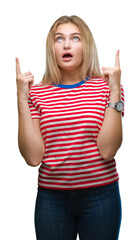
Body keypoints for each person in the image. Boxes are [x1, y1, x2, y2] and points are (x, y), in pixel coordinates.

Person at [16, 15, 124, 240]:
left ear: (86, 46)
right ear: (52, 48)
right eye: (59, 39)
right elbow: (33, 158)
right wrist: (21, 99)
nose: (66, 44)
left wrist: (114, 92)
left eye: (75, 38)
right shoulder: (36, 93)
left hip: (101, 197)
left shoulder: (107, 87)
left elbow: (108, 151)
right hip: (52, 201)